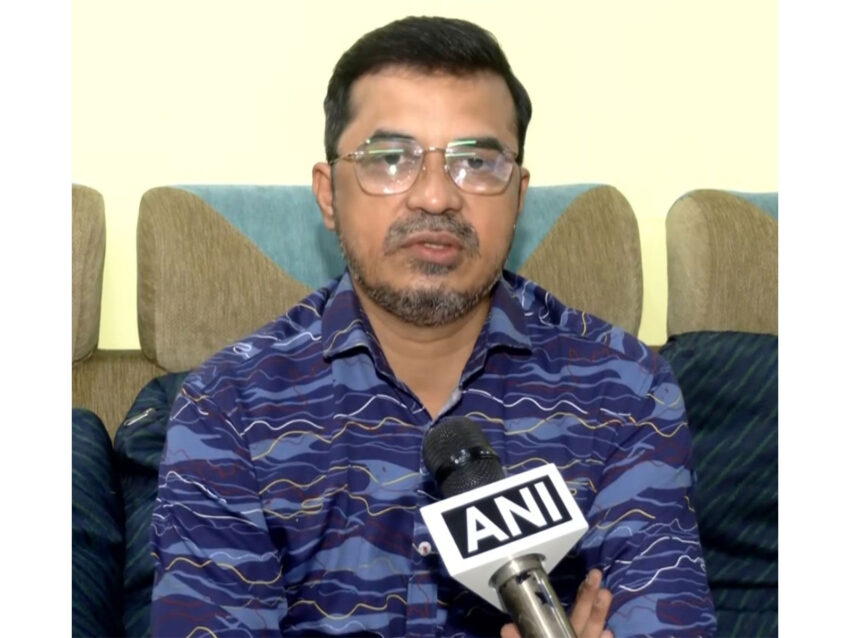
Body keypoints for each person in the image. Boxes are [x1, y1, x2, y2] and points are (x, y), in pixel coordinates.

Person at [151, 15, 716, 638]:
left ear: (519, 195)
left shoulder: (624, 391)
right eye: (390, 160)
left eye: (477, 161)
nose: (436, 197)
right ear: (329, 194)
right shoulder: (230, 406)